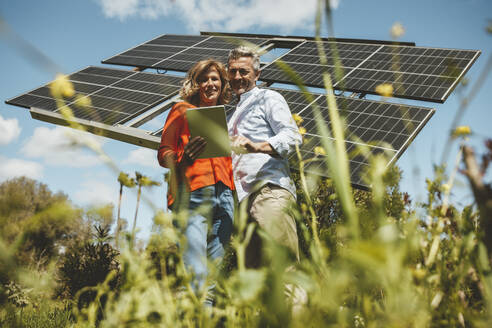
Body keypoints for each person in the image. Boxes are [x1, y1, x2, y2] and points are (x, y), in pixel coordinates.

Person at [157, 59, 235, 302]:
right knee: (197, 276)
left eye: (215, 79)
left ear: (222, 84)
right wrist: (182, 159)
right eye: (204, 79)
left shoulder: (228, 120)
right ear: (195, 84)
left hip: (225, 198)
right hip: (191, 195)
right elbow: (163, 152)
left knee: (211, 282)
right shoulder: (181, 110)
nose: (210, 84)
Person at [227, 46, 302, 268]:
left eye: (244, 71)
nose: (237, 77)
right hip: (241, 201)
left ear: (257, 74)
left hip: (269, 192)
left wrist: (256, 146)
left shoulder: (268, 98)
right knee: (256, 282)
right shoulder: (230, 113)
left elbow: (292, 137)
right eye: (232, 72)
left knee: (284, 269)